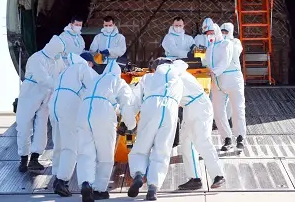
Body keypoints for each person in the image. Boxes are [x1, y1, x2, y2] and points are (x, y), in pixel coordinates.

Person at [76, 61, 137, 202]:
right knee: (105, 155)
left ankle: (85, 183)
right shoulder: (118, 81)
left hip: (84, 112)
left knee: (85, 153)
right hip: (103, 113)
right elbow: (127, 104)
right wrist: (131, 124)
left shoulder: (94, 80)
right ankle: (100, 190)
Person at [127, 57, 187, 200]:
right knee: (162, 150)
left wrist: (127, 121)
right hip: (170, 111)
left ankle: (139, 175)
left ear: (155, 67)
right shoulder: (178, 78)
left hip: (150, 107)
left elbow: (134, 100)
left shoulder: (148, 78)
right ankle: (153, 188)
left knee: (141, 146)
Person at [48, 52, 99, 197]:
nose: (91, 66)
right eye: (92, 64)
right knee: (71, 146)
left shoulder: (65, 70)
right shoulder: (83, 68)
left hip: (54, 106)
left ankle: (56, 175)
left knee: (59, 143)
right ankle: (61, 181)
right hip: (68, 106)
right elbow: (93, 88)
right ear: (88, 62)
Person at [173, 60, 226, 190]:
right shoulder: (179, 73)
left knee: (202, 141)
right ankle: (195, 178)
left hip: (199, 107)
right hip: (190, 108)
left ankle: (219, 175)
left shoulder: (175, 77)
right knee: (187, 144)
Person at [16, 35, 66, 173]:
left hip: (47, 95)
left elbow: (63, 72)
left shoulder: (57, 59)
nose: (60, 55)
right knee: (24, 125)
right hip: (31, 93)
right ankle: (23, 158)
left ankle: (35, 158)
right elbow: (43, 79)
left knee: (41, 128)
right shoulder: (36, 58)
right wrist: (60, 87)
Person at [206, 24, 246, 151]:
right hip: (217, 82)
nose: (222, 33)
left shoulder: (232, 43)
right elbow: (207, 62)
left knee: (237, 109)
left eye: (225, 31)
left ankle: (240, 137)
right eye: (208, 33)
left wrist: (215, 71)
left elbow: (226, 60)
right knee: (218, 112)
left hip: (233, 79)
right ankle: (226, 138)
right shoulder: (210, 48)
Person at [220, 22, 243, 127]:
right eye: (222, 31)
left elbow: (237, 52)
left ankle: (230, 120)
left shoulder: (236, 42)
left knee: (234, 102)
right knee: (219, 101)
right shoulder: (218, 42)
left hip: (234, 74)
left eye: (226, 32)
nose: (224, 33)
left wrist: (227, 43)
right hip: (221, 75)